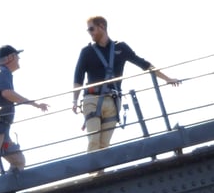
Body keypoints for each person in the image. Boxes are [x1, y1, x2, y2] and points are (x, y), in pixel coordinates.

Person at [72, 16, 181, 152]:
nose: (90, 32)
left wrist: (167, 78)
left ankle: (100, 174)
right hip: (92, 100)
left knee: (104, 145)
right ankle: (93, 173)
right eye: (88, 30)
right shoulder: (86, 52)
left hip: (113, 101)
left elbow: (144, 64)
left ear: (102, 27)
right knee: (94, 142)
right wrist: (75, 101)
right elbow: (78, 78)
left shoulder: (121, 48)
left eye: (91, 29)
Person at [0, 45, 49, 180]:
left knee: (18, 161)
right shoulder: (3, 72)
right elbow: (7, 93)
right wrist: (34, 104)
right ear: (10, 58)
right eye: (16, 56)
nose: (19, 59)